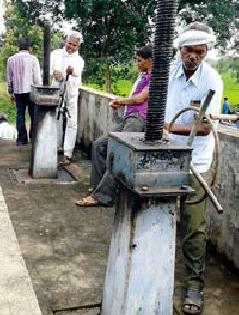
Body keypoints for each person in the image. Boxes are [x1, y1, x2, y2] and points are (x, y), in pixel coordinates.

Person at [165, 22, 223, 314]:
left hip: (196, 163)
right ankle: (154, 270)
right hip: (165, 157)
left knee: (193, 227)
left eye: (199, 52)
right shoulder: (169, 74)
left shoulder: (211, 79)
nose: (193, 57)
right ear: (180, 49)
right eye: (188, 50)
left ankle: (194, 286)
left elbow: (203, 127)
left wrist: (168, 126)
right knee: (156, 214)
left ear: (205, 52)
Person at [76, 45, 152, 207]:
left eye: (139, 60)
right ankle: (98, 188)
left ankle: (103, 195)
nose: (137, 63)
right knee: (99, 145)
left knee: (120, 153)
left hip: (138, 119)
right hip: (129, 117)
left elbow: (140, 99)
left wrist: (120, 101)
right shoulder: (143, 76)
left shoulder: (155, 78)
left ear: (149, 61)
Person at [50, 31, 84, 166]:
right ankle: (56, 146)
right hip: (55, 89)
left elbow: (75, 72)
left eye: (74, 45)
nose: (71, 47)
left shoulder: (79, 60)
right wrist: (55, 73)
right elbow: (49, 69)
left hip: (71, 91)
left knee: (71, 120)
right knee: (55, 117)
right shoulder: (55, 54)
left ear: (78, 47)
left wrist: (65, 73)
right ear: (66, 41)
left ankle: (67, 152)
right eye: (69, 43)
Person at [7, 38, 41, 146]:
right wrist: (39, 90)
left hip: (18, 91)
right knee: (33, 114)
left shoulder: (11, 59)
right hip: (31, 90)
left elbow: (9, 78)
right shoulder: (33, 59)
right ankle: (33, 135)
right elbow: (37, 78)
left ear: (19, 48)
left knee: (20, 114)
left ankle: (21, 139)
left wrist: (11, 93)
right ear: (29, 48)